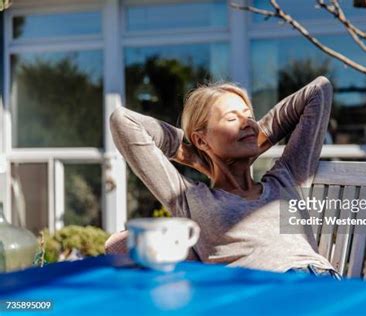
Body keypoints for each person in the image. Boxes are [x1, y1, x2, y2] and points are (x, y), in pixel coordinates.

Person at [105, 76, 341, 279]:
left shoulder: (288, 177)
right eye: (231, 118)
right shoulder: (189, 198)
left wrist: (257, 139)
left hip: (322, 283)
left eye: (249, 117)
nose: (248, 123)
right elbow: (123, 122)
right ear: (201, 139)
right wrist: (195, 156)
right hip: (260, 292)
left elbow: (319, 90)